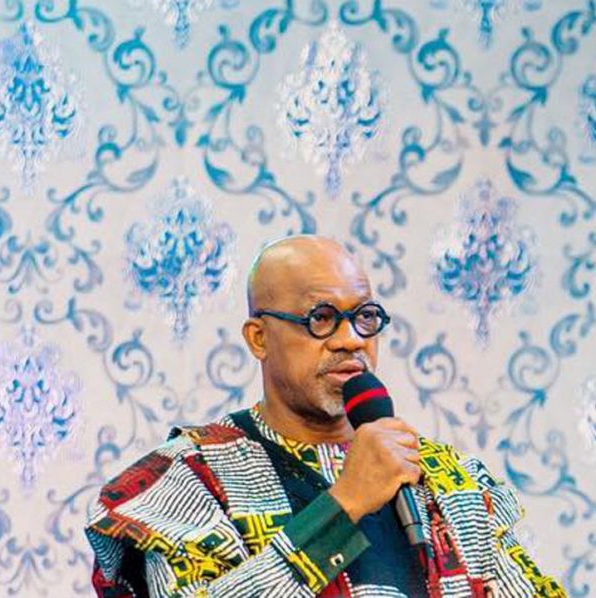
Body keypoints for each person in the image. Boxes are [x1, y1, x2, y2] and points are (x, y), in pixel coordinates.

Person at [85, 235, 566, 597]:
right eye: (321, 318)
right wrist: (344, 504)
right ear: (258, 338)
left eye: (365, 317)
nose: (351, 339)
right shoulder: (188, 479)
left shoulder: (450, 480)